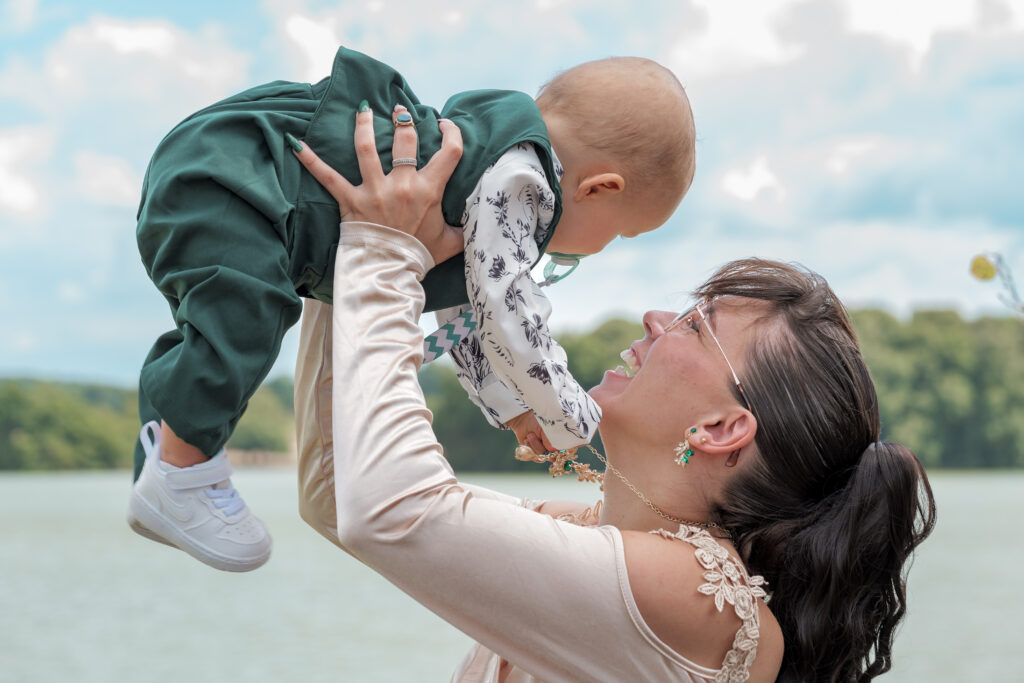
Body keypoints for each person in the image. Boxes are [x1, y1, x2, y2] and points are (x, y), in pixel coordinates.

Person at [290, 106, 936, 681]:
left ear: (719, 427)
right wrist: (342, 250)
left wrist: (386, 247)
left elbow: (389, 509)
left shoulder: (698, 597)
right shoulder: (597, 534)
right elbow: (339, 491)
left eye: (695, 324)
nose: (657, 318)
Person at [127, 45, 696, 571]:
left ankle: (167, 461)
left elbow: (464, 315)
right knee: (245, 317)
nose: (602, 248)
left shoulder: (495, 168)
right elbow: (508, 305)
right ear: (598, 188)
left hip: (232, 174)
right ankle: (182, 471)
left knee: (222, 322)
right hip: (240, 179)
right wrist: (568, 413)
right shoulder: (524, 180)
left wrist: (513, 408)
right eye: (623, 234)